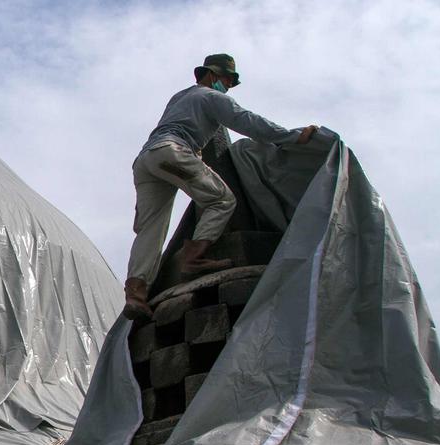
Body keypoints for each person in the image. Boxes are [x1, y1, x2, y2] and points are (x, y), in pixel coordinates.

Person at [124, 53, 318, 320]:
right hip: (172, 151)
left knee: (151, 227)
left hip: (146, 160)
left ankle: (136, 294)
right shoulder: (211, 97)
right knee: (222, 200)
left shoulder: (180, 97)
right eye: (227, 79)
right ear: (212, 75)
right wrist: (291, 137)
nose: (228, 85)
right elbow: (247, 121)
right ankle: (192, 259)